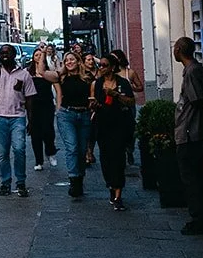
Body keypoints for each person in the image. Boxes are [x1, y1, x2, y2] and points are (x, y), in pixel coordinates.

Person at [173, 37, 203, 234]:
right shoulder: (193, 71)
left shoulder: (192, 72)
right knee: (197, 177)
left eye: (175, 47)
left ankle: (200, 219)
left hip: (191, 134)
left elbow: (201, 100)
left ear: (180, 50)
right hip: (193, 132)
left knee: (192, 178)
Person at [0, 44, 36, 198]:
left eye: (7, 53)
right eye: (1, 53)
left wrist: (31, 120)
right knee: (3, 153)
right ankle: (5, 182)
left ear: (14, 55)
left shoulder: (24, 74)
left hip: (18, 117)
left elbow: (29, 99)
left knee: (19, 149)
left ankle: (20, 181)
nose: (4, 55)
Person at [41, 49, 92, 198]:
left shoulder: (87, 77)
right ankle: (74, 181)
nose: (69, 62)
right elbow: (43, 72)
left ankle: (80, 177)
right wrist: (44, 53)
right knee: (72, 147)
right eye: (66, 60)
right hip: (67, 115)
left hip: (84, 114)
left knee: (82, 150)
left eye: (72, 60)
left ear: (78, 62)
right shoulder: (60, 77)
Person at [91, 49, 136, 211]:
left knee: (118, 158)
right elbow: (92, 102)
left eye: (105, 65)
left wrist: (115, 95)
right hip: (103, 125)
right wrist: (94, 105)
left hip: (119, 124)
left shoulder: (122, 82)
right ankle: (111, 185)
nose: (101, 67)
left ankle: (118, 194)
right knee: (105, 158)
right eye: (100, 65)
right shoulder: (96, 84)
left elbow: (131, 102)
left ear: (112, 67)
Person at [28, 44, 59, 171]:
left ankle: (50, 152)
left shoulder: (47, 72)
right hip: (34, 105)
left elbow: (57, 87)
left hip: (47, 103)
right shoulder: (28, 72)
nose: (39, 57)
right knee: (35, 133)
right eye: (36, 55)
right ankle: (38, 160)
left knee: (48, 130)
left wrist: (58, 104)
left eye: (41, 55)